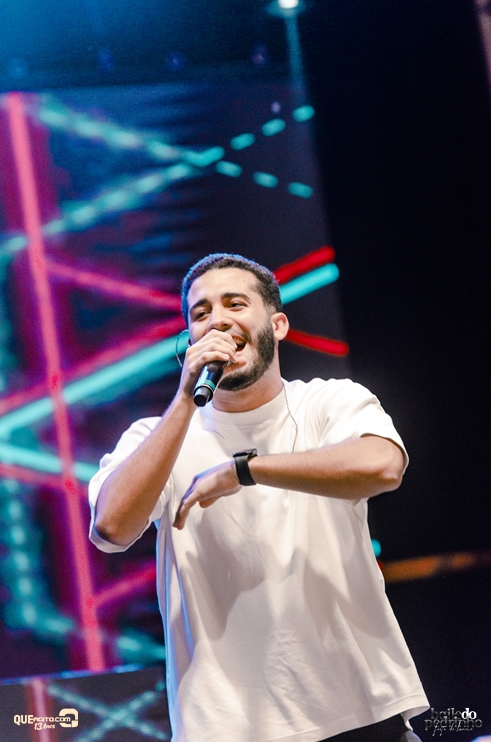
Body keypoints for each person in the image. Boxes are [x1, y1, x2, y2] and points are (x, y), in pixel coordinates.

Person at [89, 253, 428, 742]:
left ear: (278, 325)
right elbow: (111, 529)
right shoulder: (155, 437)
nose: (217, 320)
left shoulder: (327, 402)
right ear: (189, 340)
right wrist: (184, 399)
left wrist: (244, 470)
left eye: (235, 304)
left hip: (359, 710)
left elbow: (383, 465)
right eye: (201, 313)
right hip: (228, 728)